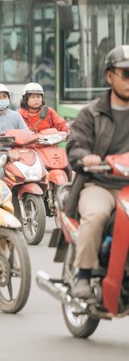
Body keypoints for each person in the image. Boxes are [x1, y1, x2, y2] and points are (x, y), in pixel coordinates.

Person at [66, 44, 129, 299]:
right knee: (95, 215)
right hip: (100, 184)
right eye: (125, 74)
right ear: (109, 76)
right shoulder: (91, 113)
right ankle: (83, 274)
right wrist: (86, 158)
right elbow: (75, 146)